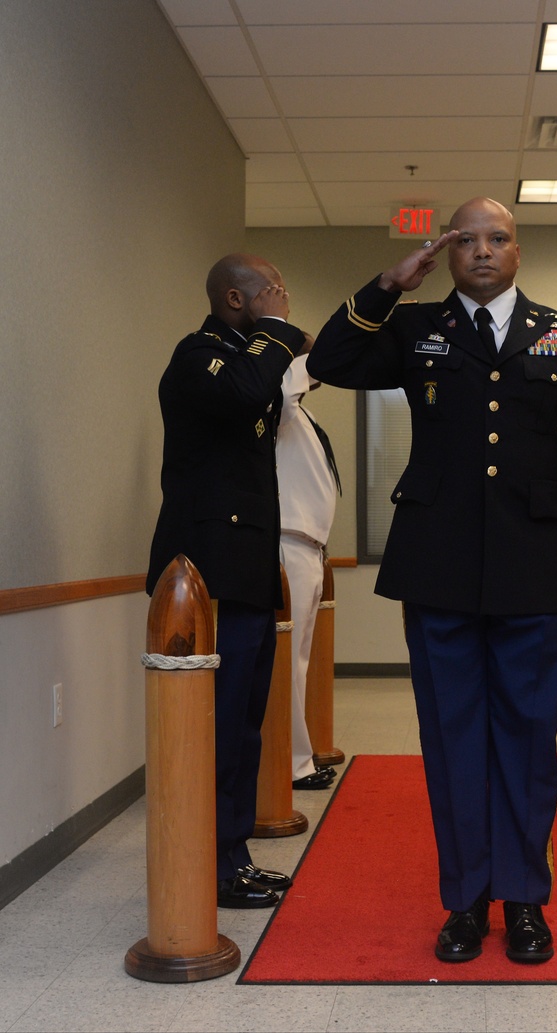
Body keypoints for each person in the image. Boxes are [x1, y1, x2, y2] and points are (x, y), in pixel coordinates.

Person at [307, 197, 557, 963]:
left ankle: (524, 898)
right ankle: (464, 901)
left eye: (499, 238)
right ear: (447, 253)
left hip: (534, 564)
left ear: (519, 250)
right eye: (467, 240)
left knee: (525, 739)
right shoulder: (418, 329)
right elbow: (329, 362)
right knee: (452, 739)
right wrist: (390, 284)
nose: (483, 251)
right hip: (439, 562)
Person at [147, 253, 304, 908]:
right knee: (211, 729)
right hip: (206, 576)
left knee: (242, 726)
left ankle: (231, 857)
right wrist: (279, 332)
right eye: (271, 290)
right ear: (236, 299)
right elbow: (245, 388)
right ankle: (204, 861)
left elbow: (260, 393)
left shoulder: (245, 355)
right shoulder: (198, 356)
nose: (283, 298)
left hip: (245, 572)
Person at [275, 334, 342, 791]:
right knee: (288, 663)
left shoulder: (304, 416)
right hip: (287, 542)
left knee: (299, 662)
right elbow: (282, 388)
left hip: (310, 547)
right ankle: (292, 764)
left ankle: (298, 756)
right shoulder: (276, 408)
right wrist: (311, 358)